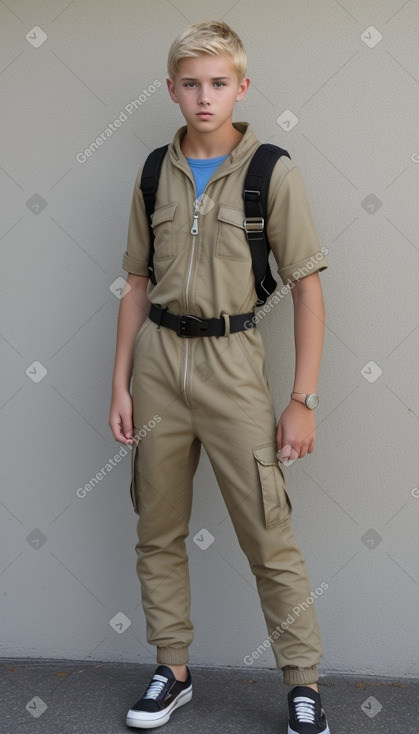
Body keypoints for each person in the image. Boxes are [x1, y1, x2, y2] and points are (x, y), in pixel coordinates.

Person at [109, 20, 330, 734]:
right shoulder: (153, 171)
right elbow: (136, 283)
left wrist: (301, 399)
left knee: (268, 533)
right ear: (172, 90)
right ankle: (170, 671)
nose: (204, 98)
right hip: (156, 367)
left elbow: (306, 290)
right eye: (190, 84)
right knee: (157, 527)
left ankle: (302, 684)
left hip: (234, 365)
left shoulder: (272, 172)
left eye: (217, 84)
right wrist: (119, 384)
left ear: (240, 86)